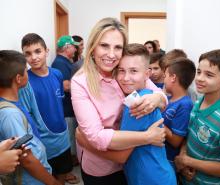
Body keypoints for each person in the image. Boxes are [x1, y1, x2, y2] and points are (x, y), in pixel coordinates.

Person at [71, 17, 167, 185]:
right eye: (104, 45)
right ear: (93, 47)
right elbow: (97, 137)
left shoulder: (123, 72)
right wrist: (147, 137)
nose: (111, 54)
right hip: (102, 169)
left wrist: (157, 97)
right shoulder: (81, 82)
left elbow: (160, 95)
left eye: (118, 47)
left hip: (131, 164)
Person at [0, 50, 60, 185]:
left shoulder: (14, 101)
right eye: (26, 70)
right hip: (32, 180)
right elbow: (26, 159)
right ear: (18, 78)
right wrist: (52, 182)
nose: (28, 72)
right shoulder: (10, 115)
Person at [21, 33, 72, 184]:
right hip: (43, 144)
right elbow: (26, 117)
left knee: (61, 177)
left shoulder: (57, 74)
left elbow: (59, 102)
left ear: (46, 51)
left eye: (38, 51)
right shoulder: (25, 82)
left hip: (62, 139)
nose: (34, 57)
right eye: (28, 54)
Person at [175, 49, 220, 184]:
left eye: (209, 75)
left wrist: (188, 161)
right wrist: (183, 157)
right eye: (198, 72)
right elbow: (189, 136)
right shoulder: (198, 102)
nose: (199, 78)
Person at [52, 35, 80, 184]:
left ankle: (69, 166)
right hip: (66, 109)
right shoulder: (60, 63)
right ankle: (66, 172)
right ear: (67, 47)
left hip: (70, 108)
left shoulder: (65, 62)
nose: (75, 49)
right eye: (73, 46)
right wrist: (83, 85)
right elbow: (65, 85)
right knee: (68, 139)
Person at [162, 57, 196, 170]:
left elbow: (176, 141)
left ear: (173, 78)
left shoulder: (185, 105)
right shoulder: (168, 99)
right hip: (161, 155)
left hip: (169, 161)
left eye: (165, 76)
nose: (164, 80)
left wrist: (157, 120)